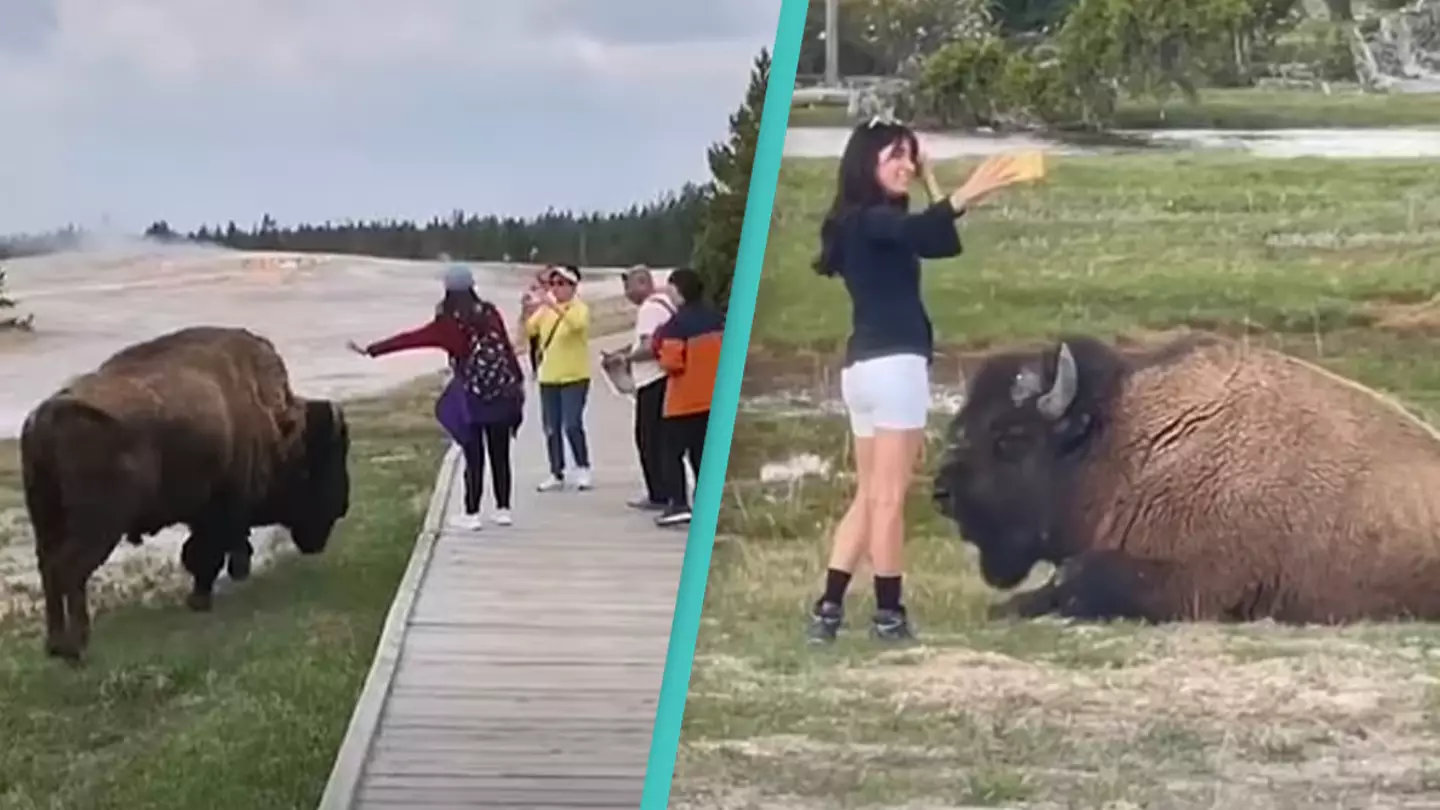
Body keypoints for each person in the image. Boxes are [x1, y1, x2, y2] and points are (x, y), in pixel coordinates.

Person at [805, 117, 1026, 644]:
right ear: (866, 165)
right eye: (893, 158)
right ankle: (889, 615)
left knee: (869, 495)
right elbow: (919, 230)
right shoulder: (871, 222)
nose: (905, 165)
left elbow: (940, 244)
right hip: (895, 368)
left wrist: (933, 183)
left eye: (910, 155)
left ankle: (828, 610)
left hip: (863, 372)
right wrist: (965, 193)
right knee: (888, 498)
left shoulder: (862, 224)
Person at [349, 264, 525, 530]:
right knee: (500, 454)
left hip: (471, 397)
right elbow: (507, 350)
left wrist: (373, 350)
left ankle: (472, 513)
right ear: (472, 286)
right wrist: (518, 382)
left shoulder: (447, 322)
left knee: (473, 455)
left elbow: (410, 339)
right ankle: (503, 510)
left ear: (447, 289)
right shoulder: (489, 313)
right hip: (500, 393)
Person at [650, 267, 724, 528]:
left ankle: (679, 503)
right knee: (702, 452)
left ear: (679, 292)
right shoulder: (718, 318)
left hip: (683, 400)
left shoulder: (675, 326)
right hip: (712, 398)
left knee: (670, 454)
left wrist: (657, 349)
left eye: (671, 290)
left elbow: (672, 364)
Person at [604, 265, 676, 512]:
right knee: (663, 438)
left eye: (629, 285)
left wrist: (626, 360)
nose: (626, 292)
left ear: (643, 283)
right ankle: (668, 489)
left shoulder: (649, 309)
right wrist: (626, 350)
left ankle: (659, 493)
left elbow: (648, 347)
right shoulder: (665, 304)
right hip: (665, 379)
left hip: (653, 381)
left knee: (648, 439)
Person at [526, 264, 593, 491]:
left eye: (562, 284)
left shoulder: (579, 308)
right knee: (551, 427)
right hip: (549, 376)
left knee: (572, 424)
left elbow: (576, 326)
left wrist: (554, 306)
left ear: (573, 286)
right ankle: (556, 471)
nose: (556, 288)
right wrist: (529, 308)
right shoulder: (545, 310)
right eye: (553, 284)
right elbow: (529, 330)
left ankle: (583, 466)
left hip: (575, 376)